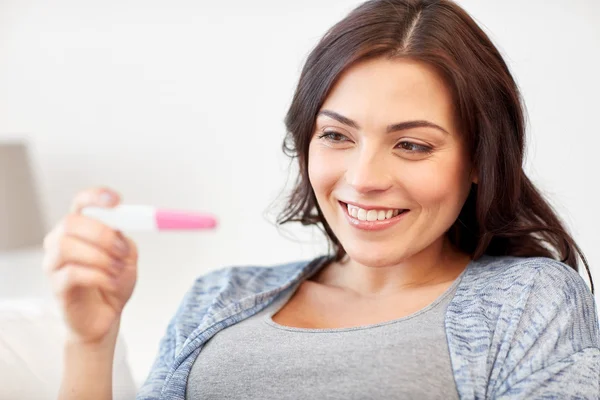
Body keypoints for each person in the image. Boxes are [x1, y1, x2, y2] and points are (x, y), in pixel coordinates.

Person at [42, 0, 599, 399]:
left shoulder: (530, 300)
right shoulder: (218, 296)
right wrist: (90, 343)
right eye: (336, 135)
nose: (364, 177)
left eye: (411, 144)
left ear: (479, 160)